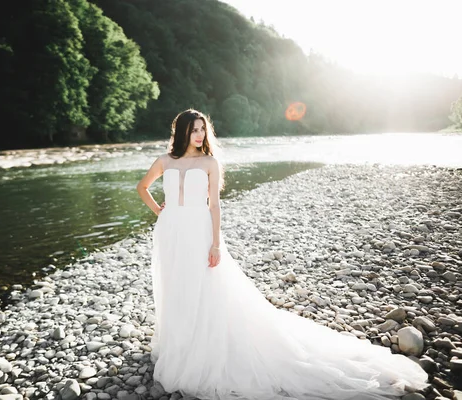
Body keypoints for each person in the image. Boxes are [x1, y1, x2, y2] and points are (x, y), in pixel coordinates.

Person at [136, 109, 429, 400]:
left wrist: (215, 244)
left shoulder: (210, 162)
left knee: (206, 288)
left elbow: (214, 206)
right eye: (194, 129)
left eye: (202, 129)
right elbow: (143, 187)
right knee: (177, 286)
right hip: (171, 231)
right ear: (183, 131)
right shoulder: (165, 161)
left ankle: (205, 347)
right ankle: (181, 343)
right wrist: (161, 212)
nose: (199, 135)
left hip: (200, 231)